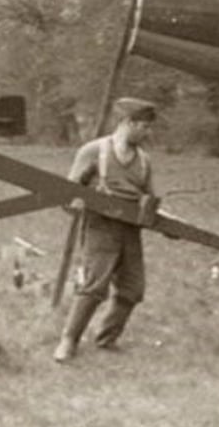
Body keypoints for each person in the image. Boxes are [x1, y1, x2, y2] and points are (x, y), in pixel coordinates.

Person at [53, 97, 159, 363]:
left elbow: (150, 199)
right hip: (100, 226)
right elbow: (67, 194)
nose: (148, 133)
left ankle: (107, 339)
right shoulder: (93, 151)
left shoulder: (144, 160)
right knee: (93, 286)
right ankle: (68, 341)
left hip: (130, 230)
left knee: (133, 289)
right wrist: (77, 203)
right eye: (144, 127)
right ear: (128, 122)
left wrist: (161, 219)